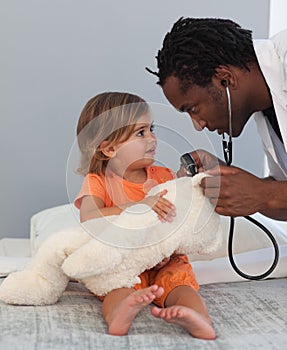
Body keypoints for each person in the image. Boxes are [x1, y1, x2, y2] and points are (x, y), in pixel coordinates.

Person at [73, 92, 216, 340]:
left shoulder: (164, 175)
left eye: (152, 129)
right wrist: (141, 206)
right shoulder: (98, 181)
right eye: (141, 133)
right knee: (116, 289)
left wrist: (187, 184)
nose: (152, 138)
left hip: (166, 259)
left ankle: (198, 318)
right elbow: (90, 217)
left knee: (181, 286)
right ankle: (119, 313)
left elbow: (180, 217)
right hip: (123, 263)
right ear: (109, 148)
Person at [147, 17, 287, 221]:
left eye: (193, 109)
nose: (198, 125)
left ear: (225, 78)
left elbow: (274, 195)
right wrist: (231, 183)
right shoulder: (266, 107)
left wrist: (265, 194)